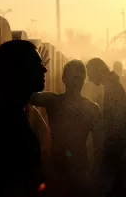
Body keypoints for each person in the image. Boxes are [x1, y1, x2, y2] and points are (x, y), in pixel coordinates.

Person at [0, 40, 47, 197]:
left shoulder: (9, 112)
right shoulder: (0, 123)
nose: (45, 69)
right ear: (18, 70)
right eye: (36, 63)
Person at [30, 60, 101, 197]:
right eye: (74, 77)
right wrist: (37, 70)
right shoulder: (54, 101)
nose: (77, 82)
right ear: (64, 78)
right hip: (58, 167)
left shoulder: (93, 108)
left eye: (80, 78)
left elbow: (99, 145)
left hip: (80, 168)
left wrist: (95, 171)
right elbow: (29, 96)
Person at [86, 58, 126, 197]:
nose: (89, 78)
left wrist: (107, 146)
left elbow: (117, 119)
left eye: (90, 73)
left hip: (115, 146)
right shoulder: (112, 84)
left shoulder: (111, 87)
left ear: (98, 70)